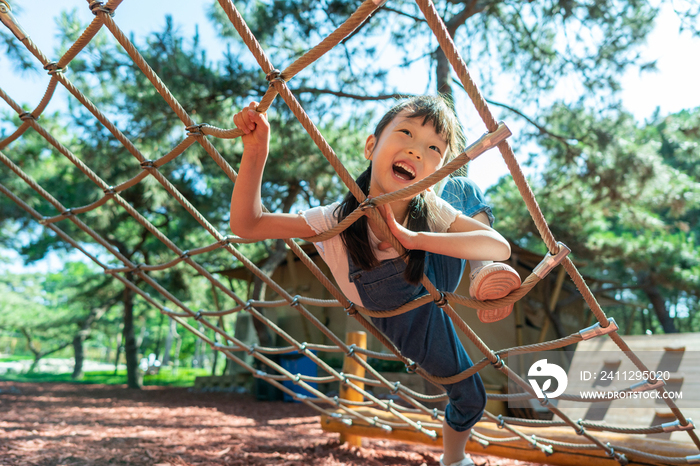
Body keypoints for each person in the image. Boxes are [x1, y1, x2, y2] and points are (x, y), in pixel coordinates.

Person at [230, 96, 521, 466]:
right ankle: (455, 459)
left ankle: (483, 275)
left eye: (434, 148)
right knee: (471, 397)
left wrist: (413, 239)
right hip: (406, 315)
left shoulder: (431, 207)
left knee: (464, 191)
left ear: (436, 173)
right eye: (406, 133)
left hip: (434, 271)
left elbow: (499, 245)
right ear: (371, 146)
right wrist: (256, 149)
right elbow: (247, 225)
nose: (417, 151)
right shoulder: (337, 219)